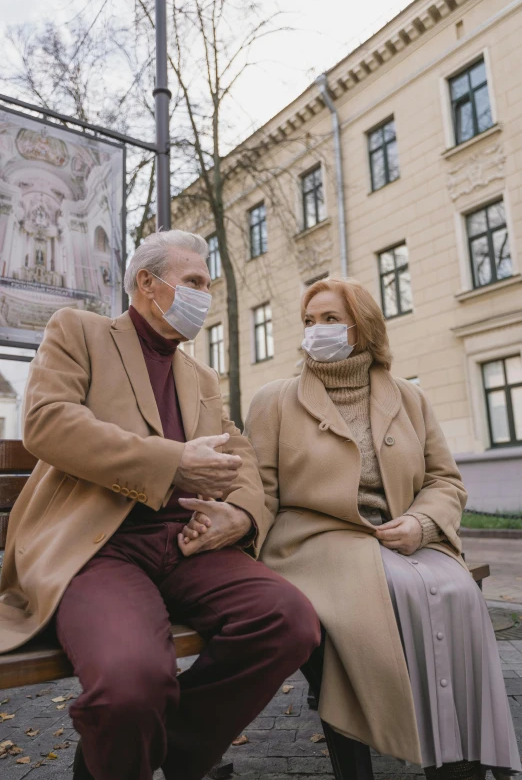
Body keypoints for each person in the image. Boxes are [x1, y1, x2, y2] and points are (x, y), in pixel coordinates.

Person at [0, 230, 320, 780]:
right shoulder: (79, 330)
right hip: (96, 549)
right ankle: (126, 742)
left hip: (187, 544)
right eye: (194, 281)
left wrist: (239, 515)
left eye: (208, 284)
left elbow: (237, 454)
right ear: (148, 283)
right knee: (132, 682)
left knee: (288, 621)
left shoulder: (198, 374)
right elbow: (48, 422)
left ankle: (145, 751)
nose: (205, 294)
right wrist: (171, 462)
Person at [183, 277, 521, 780]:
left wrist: (422, 523)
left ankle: (461, 753)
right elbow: (263, 492)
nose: (316, 330)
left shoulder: (408, 397)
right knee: (401, 587)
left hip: (398, 537)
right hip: (314, 544)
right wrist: (240, 525)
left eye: (331, 319)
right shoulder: (275, 400)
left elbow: (444, 479)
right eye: (309, 321)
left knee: (457, 590)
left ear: (361, 329)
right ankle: (416, 736)